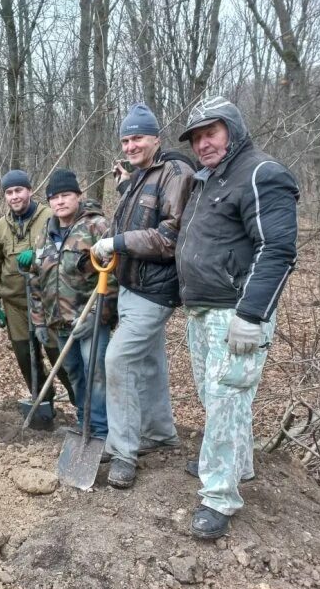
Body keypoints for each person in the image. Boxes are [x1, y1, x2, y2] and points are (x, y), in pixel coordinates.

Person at [176, 96, 299, 539]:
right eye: (196, 137)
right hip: (203, 308)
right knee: (218, 398)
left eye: (211, 133)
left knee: (227, 397)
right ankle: (232, 464)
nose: (203, 143)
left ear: (233, 129)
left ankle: (219, 497)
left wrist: (251, 314)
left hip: (237, 311)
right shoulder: (209, 179)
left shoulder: (263, 173)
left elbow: (277, 249)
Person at [90, 104, 195, 489]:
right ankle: (158, 432)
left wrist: (115, 241)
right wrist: (113, 206)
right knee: (149, 362)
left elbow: (169, 236)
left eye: (137, 138)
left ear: (156, 138)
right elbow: (134, 219)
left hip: (157, 289)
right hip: (133, 285)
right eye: (125, 139)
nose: (130, 145)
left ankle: (123, 451)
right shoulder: (139, 176)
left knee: (117, 359)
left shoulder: (176, 172)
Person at [29, 169, 116, 441]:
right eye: (54, 198)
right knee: (76, 374)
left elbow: (114, 276)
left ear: (78, 196)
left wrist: (97, 315)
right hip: (60, 321)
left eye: (66, 195)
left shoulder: (96, 227)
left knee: (96, 375)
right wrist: (39, 321)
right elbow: (36, 279)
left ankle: (101, 430)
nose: (60, 202)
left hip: (90, 320)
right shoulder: (45, 232)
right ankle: (83, 422)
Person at [0, 170, 74, 411]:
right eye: (9, 192)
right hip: (14, 304)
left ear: (30, 190)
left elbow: (65, 247)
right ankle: (42, 400)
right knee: (26, 357)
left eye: (18, 190)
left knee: (59, 356)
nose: (14, 196)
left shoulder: (50, 216)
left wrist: (38, 254)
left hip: (48, 301)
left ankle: (81, 404)